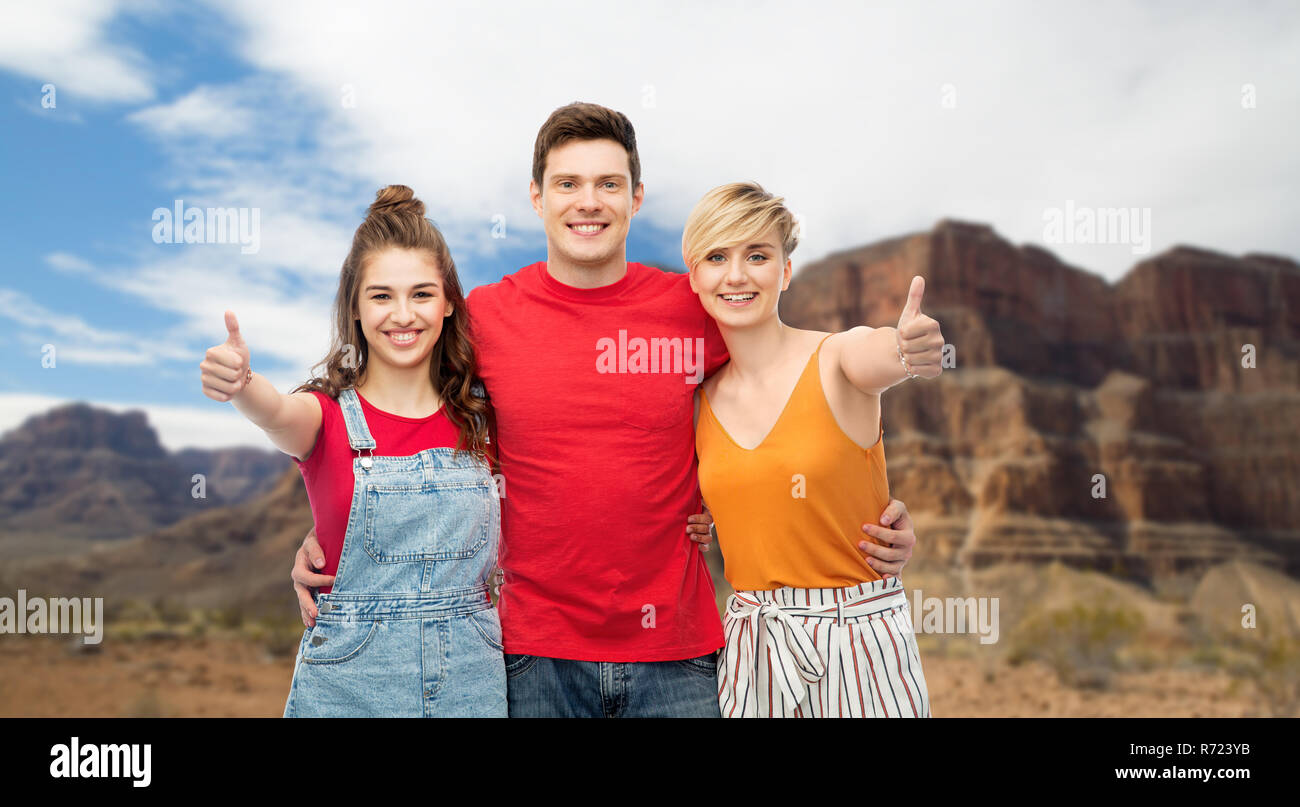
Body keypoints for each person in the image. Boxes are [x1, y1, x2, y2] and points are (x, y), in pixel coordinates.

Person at [291, 103, 925, 717]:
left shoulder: (697, 305)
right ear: (538, 198)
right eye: (568, 183)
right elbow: (405, 416)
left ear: (636, 197)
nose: (588, 201)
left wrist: (861, 506)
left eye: (608, 183)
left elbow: (796, 381)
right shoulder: (484, 317)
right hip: (533, 655)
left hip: (678, 656)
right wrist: (337, 527)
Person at [201, 185, 506, 717]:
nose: (403, 315)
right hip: (349, 690)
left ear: (449, 302)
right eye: (381, 296)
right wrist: (242, 381)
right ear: (356, 309)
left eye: (422, 294)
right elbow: (273, 411)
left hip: (473, 685)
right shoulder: (323, 415)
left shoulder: (482, 417)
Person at [684, 181, 943, 717]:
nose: (736, 275)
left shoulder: (837, 359)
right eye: (717, 256)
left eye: (757, 255)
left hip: (860, 641)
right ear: (695, 277)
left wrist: (906, 347)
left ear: (785, 271)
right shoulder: (695, 404)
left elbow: (880, 352)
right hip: (754, 649)